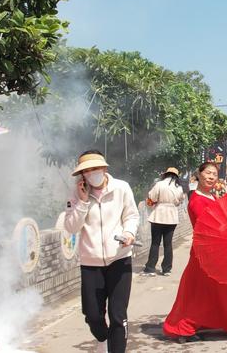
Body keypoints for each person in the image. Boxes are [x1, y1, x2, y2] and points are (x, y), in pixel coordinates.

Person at [163, 162, 227, 343]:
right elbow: (211, 225)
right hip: (207, 251)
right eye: (208, 173)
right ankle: (190, 326)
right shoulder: (196, 199)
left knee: (214, 289)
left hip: (219, 249)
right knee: (209, 289)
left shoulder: (211, 196)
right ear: (199, 174)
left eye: (214, 174)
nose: (211, 177)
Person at [64, 150, 139, 353]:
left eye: (95, 168)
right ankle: (102, 338)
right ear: (81, 175)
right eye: (86, 171)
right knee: (93, 315)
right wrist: (82, 202)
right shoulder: (77, 193)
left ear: (104, 168)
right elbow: (70, 227)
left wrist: (129, 233)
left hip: (120, 260)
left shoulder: (121, 188)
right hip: (90, 263)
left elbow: (131, 215)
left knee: (118, 316)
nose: (91, 173)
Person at [142, 167, 185, 276]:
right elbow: (180, 201)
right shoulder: (179, 188)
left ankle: (150, 268)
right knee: (168, 243)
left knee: (155, 243)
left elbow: (152, 197)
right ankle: (166, 269)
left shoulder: (159, 184)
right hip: (172, 216)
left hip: (159, 215)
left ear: (166, 174)